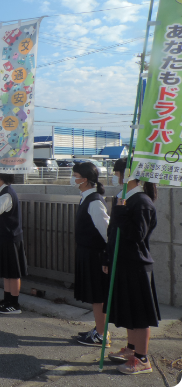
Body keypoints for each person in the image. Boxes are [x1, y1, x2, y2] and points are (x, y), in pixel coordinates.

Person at [103, 158, 159, 375]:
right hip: (123, 262)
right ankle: (132, 349)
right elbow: (113, 234)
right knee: (129, 309)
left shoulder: (141, 201)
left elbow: (138, 234)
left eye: (117, 172)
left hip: (136, 264)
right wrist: (107, 258)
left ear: (128, 174)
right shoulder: (124, 198)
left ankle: (142, 359)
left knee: (139, 313)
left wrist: (121, 212)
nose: (115, 175)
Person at [71, 162, 111, 348]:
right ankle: (99, 329)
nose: (72, 178)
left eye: (75, 174)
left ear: (84, 179)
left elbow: (107, 232)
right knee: (95, 295)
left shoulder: (94, 201)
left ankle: (102, 335)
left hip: (95, 255)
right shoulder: (86, 197)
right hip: (86, 252)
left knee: (97, 296)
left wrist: (106, 257)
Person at [0, 172, 27, 315]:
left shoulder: (7, 194)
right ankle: (7, 299)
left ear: (0, 177)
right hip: (3, 237)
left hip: (10, 237)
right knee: (6, 272)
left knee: (13, 272)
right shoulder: (0, 192)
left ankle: (14, 303)